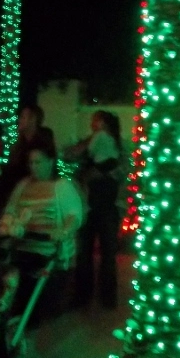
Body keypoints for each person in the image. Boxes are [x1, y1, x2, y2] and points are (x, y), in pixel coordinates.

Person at [0, 139, 83, 319]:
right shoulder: (23, 186)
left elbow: (74, 215)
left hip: (49, 253)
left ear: (50, 162)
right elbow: (11, 210)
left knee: (41, 306)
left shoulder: (62, 187)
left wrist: (64, 231)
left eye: (38, 162)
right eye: (31, 163)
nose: (33, 167)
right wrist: (6, 225)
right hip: (23, 249)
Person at [72, 111, 123, 309]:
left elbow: (120, 170)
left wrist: (93, 172)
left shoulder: (106, 141)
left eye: (96, 120)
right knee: (95, 253)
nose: (92, 123)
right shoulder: (105, 143)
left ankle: (94, 296)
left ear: (104, 123)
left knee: (98, 253)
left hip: (101, 205)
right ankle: (96, 297)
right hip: (98, 204)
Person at [0, 103, 56, 204]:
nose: (19, 120)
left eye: (23, 117)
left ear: (33, 120)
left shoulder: (42, 142)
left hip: (31, 193)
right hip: (15, 193)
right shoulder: (21, 143)